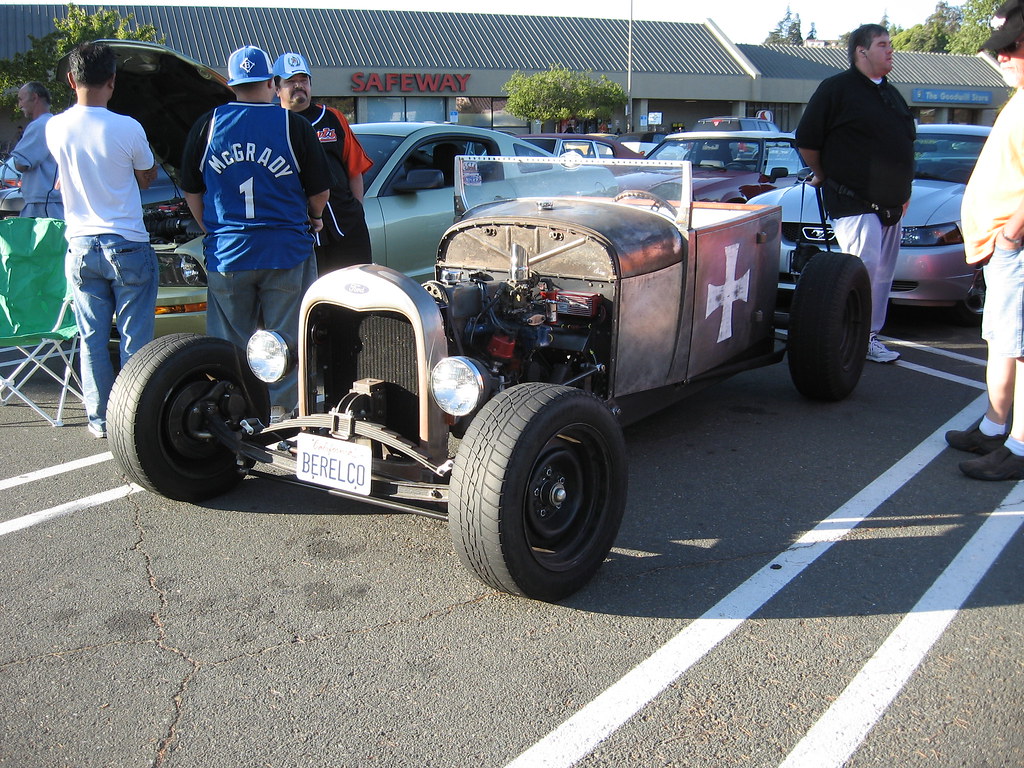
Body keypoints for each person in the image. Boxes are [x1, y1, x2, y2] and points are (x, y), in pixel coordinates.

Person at [180, 45, 331, 421]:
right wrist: (314, 217)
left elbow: (191, 190)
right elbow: (320, 192)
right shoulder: (292, 125)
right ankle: (281, 415)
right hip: (285, 250)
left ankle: (236, 412)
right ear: (270, 82)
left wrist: (212, 229)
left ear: (232, 85)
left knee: (231, 343)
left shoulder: (207, 125)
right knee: (284, 340)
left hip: (229, 252)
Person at [44, 43, 159, 439]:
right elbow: (147, 177)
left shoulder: (54, 127)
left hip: (79, 246)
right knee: (135, 339)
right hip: (126, 241)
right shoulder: (128, 127)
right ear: (112, 82)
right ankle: (134, 419)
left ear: (72, 80)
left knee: (92, 338)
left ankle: (100, 419)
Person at [795, 24, 916, 364]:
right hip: (854, 204)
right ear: (861, 52)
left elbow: (903, 143)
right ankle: (846, 340)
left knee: (881, 278)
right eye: (882, 44)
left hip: (892, 207)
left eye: (890, 44)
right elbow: (807, 140)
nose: (891, 50)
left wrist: (904, 192)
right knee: (859, 276)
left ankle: (869, 338)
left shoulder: (891, 94)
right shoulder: (837, 89)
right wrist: (822, 174)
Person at [947, 0, 1024, 481]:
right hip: (1004, 249)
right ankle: (996, 427)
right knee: (1002, 340)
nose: (1002, 59)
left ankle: (1018, 446)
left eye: (1010, 48)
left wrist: (1011, 235)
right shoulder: (1019, 97)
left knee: (1019, 345)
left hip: (1014, 246)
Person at [273, 51, 373, 272]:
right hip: (299, 230)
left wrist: (357, 211)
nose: (299, 85)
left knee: (357, 290)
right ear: (276, 88)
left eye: (303, 80)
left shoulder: (333, 118)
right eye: (290, 81)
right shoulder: (272, 125)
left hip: (346, 225)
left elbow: (354, 169)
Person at [12, 81, 62, 219]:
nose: (20, 105)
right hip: (54, 204)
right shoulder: (56, 123)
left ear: (34, 97)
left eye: (21, 99)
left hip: (42, 205)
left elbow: (21, 163)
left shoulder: (40, 125)